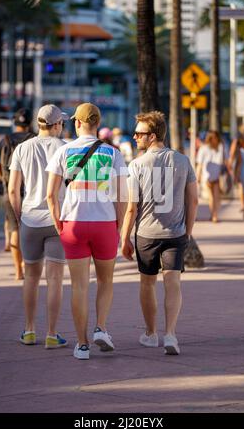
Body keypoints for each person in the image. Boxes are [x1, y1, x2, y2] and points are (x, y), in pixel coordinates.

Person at [46, 103, 129, 360]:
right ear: (97, 123)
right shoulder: (112, 153)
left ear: (78, 123)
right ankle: (101, 328)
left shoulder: (64, 150)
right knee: (105, 281)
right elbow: (122, 196)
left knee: (79, 286)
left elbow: (50, 195)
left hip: (73, 223)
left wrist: (58, 223)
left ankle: (82, 345)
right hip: (104, 223)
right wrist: (118, 224)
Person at [121, 111, 198, 356]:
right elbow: (193, 201)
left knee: (147, 283)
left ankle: (151, 333)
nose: (135, 137)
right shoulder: (183, 161)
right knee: (173, 282)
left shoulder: (135, 165)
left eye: (139, 133)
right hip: (176, 232)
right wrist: (188, 231)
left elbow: (132, 207)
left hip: (146, 234)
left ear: (152, 136)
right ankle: (171, 334)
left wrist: (124, 238)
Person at [8, 104, 68, 349]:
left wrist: (20, 214)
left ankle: (30, 329)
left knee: (30, 277)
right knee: (54, 279)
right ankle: (52, 334)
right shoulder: (65, 148)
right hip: (58, 219)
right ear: (56, 125)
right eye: (62, 123)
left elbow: (13, 189)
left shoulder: (22, 148)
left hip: (30, 220)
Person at [0, 108, 35, 280]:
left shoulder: (5, 140)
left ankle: (18, 270)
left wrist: (5, 181)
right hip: (31, 190)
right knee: (31, 229)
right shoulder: (34, 139)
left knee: (14, 229)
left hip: (10, 190)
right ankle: (27, 262)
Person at [196, 130, 228, 223]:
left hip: (213, 175)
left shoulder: (206, 148)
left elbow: (200, 164)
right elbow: (200, 164)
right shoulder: (219, 147)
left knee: (215, 197)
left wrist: (198, 176)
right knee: (213, 197)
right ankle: (214, 215)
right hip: (211, 176)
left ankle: (214, 215)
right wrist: (198, 176)